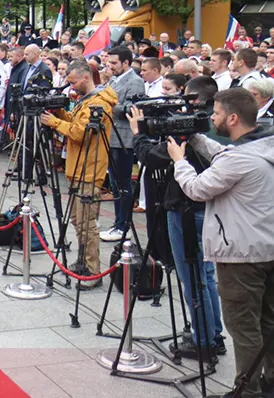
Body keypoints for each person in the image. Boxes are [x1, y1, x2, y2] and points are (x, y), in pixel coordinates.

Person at [169, 88, 274, 397]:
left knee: (243, 328)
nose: (211, 118)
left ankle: (247, 390)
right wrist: (198, 139)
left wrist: (179, 160)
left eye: (214, 114)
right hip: (267, 246)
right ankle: (269, 381)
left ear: (232, 118)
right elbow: (228, 157)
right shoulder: (264, 144)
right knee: (268, 321)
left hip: (241, 256)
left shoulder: (240, 159)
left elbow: (197, 188)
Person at [128, 75, 225, 361]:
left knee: (191, 277)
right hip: (206, 208)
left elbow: (152, 157)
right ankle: (212, 333)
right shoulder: (207, 126)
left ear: (193, 99)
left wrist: (138, 132)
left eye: (175, 94)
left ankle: (203, 341)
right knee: (205, 275)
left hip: (185, 207)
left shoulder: (189, 127)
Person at [40, 60, 117, 287]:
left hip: (89, 169)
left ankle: (92, 271)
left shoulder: (100, 103)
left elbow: (81, 133)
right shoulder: (87, 101)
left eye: (72, 82)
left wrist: (54, 122)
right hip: (78, 167)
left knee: (86, 222)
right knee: (77, 220)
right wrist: (60, 112)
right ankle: (83, 260)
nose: (70, 86)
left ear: (86, 77)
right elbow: (75, 123)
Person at [100, 46, 146, 242]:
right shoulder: (114, 79)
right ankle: (118, 222)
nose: (110, 66)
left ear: (126, 63)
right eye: (109, 62)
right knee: (115, 183)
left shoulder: (135, 82)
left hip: (124, 138)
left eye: (114, 63)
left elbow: (133, 108)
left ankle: (123, 224)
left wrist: (107, 104)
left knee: (123, 183)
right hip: (111, 135)